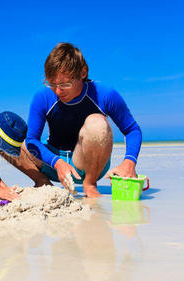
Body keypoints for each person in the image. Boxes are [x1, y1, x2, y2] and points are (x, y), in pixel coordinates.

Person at [22, 42, 142, 198]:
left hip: (88, 164)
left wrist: (129, 162)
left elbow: (132, 130)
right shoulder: (42, 96)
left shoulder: (105, 94)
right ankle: (42, 182)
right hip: (54, 163)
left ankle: (90, 184)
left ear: (83, 72)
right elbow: (32, 140)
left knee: (97, 122)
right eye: (52, 84)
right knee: (7, 135)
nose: (58, 91)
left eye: (65, 84)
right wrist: (57, 162)